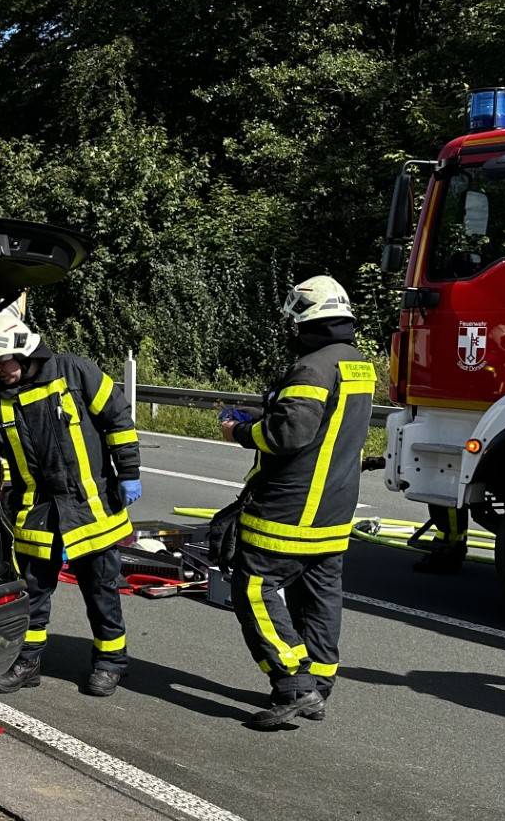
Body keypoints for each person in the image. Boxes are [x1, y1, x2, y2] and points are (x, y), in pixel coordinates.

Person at [215, 275, 374, 728]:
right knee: (319, 595)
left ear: (306, 320)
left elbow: (289, 435)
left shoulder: (310, 368)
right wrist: (271, 411)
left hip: (290, 510)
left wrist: (240, 432)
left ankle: (293, 683)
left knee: (253, 588)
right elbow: (322, 426)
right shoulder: (358, 364)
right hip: (335, 508)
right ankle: (319, 684)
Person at [0, 307, 142, 697]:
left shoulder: (76, 372)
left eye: (1, 363)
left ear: (22, 351)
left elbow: (118, 418)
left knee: (101, 590)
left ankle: (111, 662)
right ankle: (27, 662)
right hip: (36, 512)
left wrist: (128, 473)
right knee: (33, 592)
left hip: (92, 508)